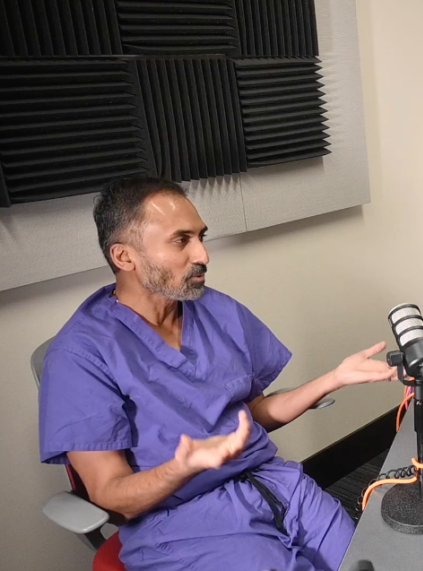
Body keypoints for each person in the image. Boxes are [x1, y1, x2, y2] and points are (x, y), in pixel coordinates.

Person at [38, 177, 398, 571]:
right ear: (124, 257)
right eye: (181, 241)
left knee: (371, 561)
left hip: (277, 487)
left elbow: (254, 414)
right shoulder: (81, 355)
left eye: (201, 237)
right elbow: (109, 493)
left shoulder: (214, 309)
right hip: (186, 524)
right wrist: (185, 466)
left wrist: (335, 378)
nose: (203, 255)